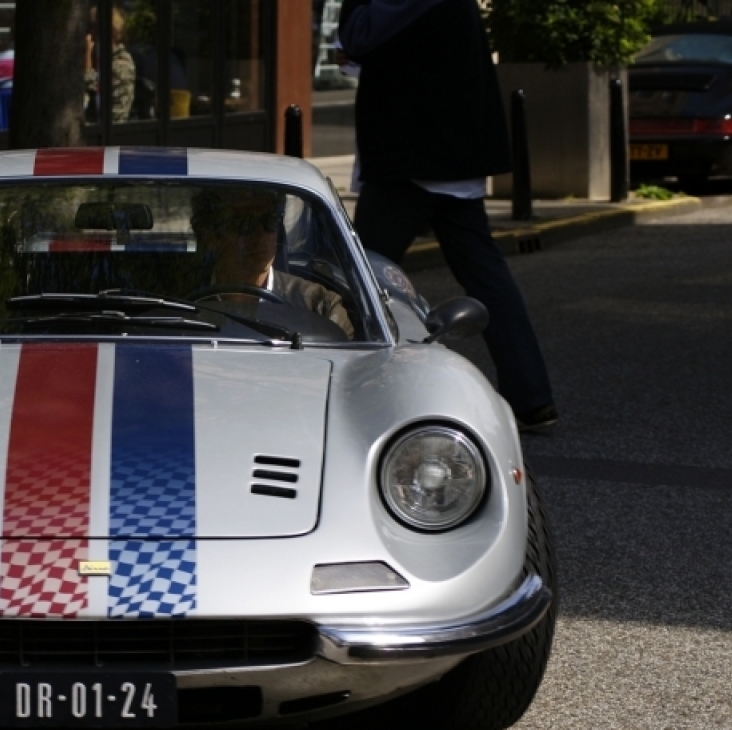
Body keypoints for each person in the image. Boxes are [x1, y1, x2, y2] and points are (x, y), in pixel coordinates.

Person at [338, 0, 558, 432]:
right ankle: (532, 397)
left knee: (357, 277)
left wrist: (356, 37)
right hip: (445, 155)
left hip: (415, 157)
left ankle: (345, 393)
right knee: (486, 276)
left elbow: (359, 34)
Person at [190, 187, 354, 339]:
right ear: (209, 235)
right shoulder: (178, 302)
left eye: (270, 220)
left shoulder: (319, 308)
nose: (260, 235)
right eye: (244, 224)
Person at [84, 7, 135, 123]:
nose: (90, 33)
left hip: (112, 129)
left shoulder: (121, 62)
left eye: (93, 27)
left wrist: (87, 57)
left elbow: (93, 97)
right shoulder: (101, 58)